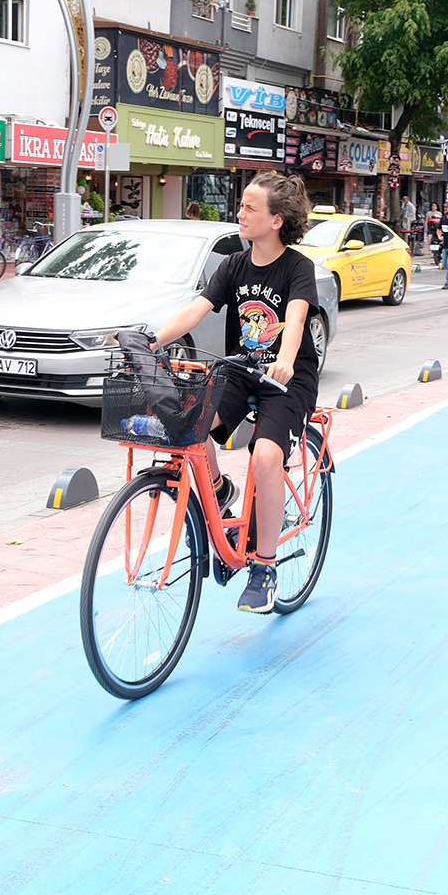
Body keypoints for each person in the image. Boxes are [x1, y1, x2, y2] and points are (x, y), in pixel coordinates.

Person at [152, 172, 321, 616]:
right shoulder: (233, 265)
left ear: (276, 220)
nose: (240, 213)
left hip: (288, 378)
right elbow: (196, 309)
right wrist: (154, 341)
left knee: (265, 456)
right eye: (241, 205)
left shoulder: (298, 269)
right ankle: (222, 490)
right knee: (189, 424)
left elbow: (297, 319)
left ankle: (264, 567)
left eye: (249, 207)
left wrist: (285, 358)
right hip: (242, 370)